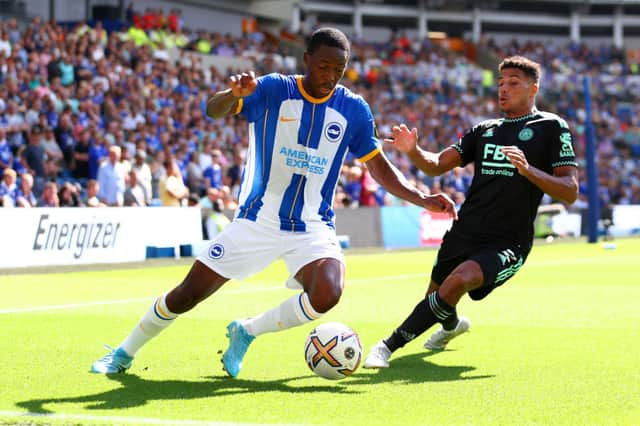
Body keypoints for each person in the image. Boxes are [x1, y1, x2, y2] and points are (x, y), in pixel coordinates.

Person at [90, 27, 457, 377]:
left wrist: (422, 197)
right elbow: (213, 110)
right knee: (187, 295)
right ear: (306, 60)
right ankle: (123, 353)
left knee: (328, 291)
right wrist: (233, 95)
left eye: (339, 70)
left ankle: (247, 332)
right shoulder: (272, 89)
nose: (330, 76)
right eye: (323, 66)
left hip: (312, 225)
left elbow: (378, 168)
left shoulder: (354, 110)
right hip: (258, 220)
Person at [363, 56, 579, 369]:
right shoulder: (484, 130)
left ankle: (386, 346)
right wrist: (412, 150)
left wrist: (528, 169)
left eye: (513, 83)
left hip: (508, 241)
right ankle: (452, 327)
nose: (503, 89)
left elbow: (570, 190)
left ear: (534, 89)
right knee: (437, 299)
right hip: (465, 231)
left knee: (459, 281)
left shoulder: (552, 127)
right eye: (501, 83)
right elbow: (435, 165)